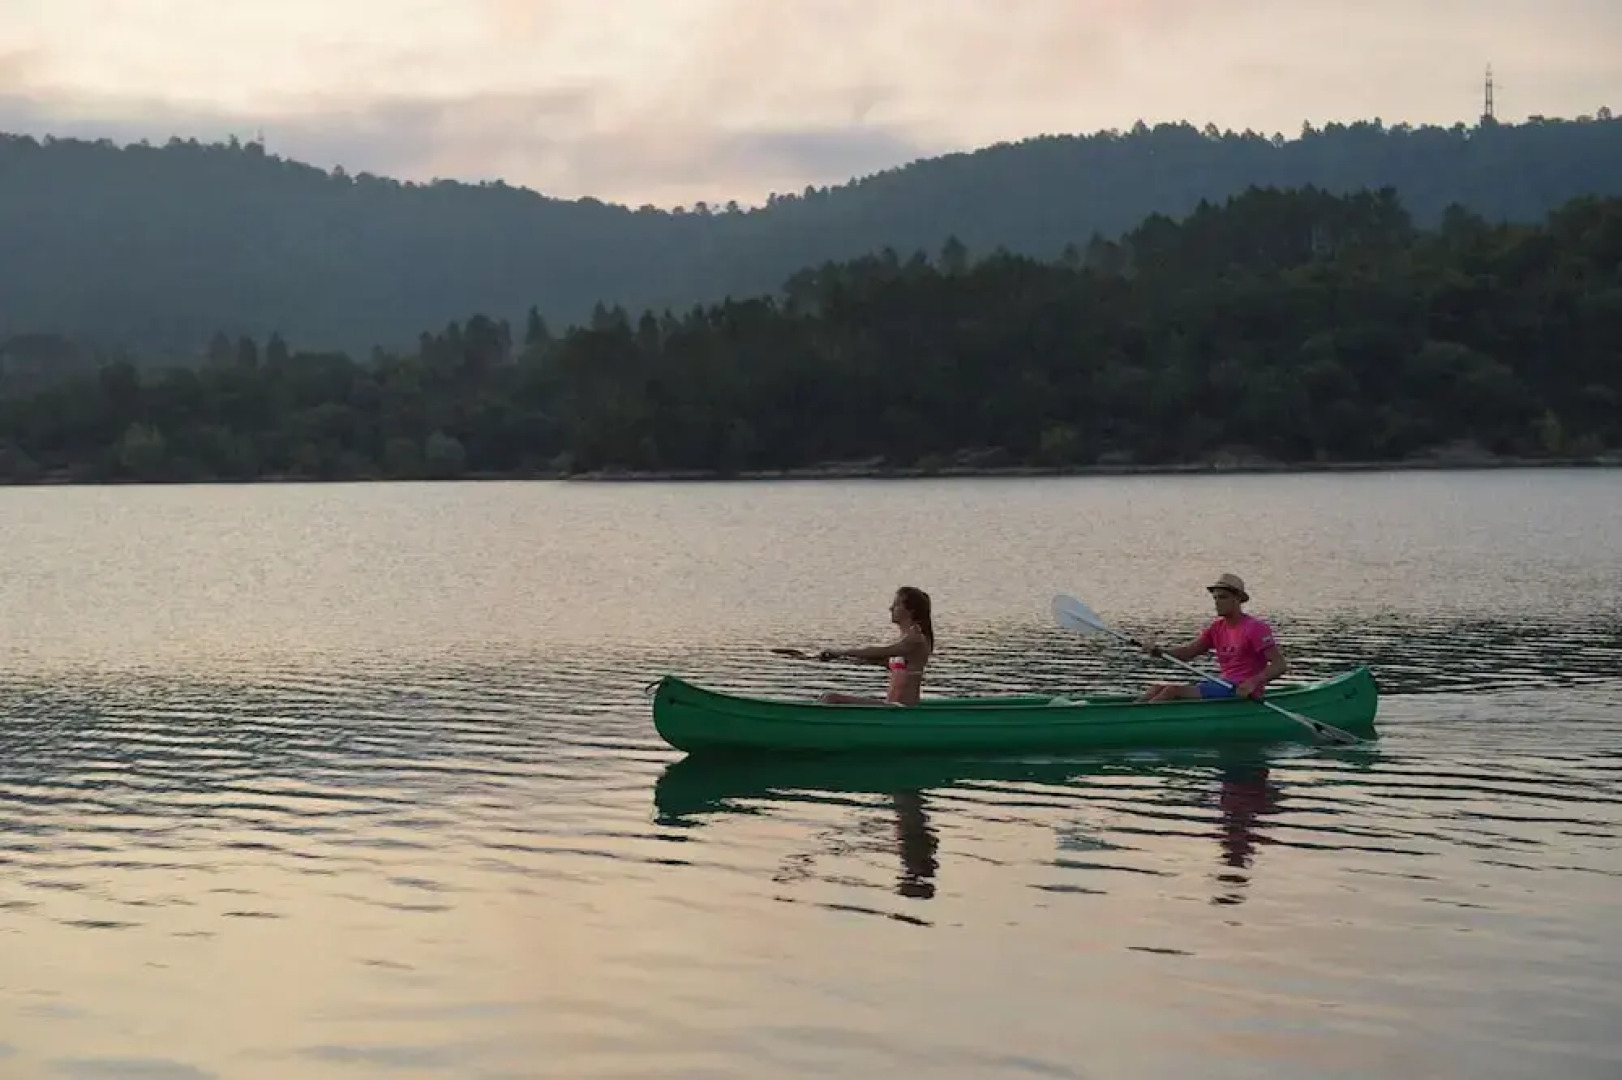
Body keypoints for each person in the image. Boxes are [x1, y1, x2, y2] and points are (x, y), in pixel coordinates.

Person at [1137, 573, 1285, 702]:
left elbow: (1279, 665)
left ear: (1237, 599)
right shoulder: (1216, 628)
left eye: (1223, 597)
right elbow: (1188, 652)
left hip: (1242, 690)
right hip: (1223, 685)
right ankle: (1132, 714)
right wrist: (1158, 651)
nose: (1217, 602)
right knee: (1156, 688)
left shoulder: (1255, 628)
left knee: (1172, 691)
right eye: (1215, 598)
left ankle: (1139, 723)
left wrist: (1252, 682)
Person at [816, 586, 935, 706]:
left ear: (911, 610)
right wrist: (840, 658)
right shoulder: (907, 638)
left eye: (897, 605)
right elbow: (880, 660)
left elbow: (881, 651)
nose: (891, 608)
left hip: (903, 708)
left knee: (830, 698)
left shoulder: (915, 638)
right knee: (825, 697)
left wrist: (841, 652)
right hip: (893, 706)